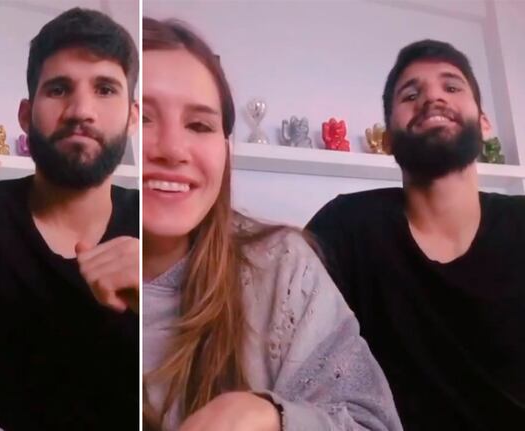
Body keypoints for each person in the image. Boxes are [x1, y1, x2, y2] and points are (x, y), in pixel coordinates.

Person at [141, 17, 402, 431]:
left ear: (225, 150)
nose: (173, 149)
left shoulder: (281, 266)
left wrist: (271, 417)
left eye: (199, 125)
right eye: (143, 118)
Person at [306, 39, 525, 429]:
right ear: (388, 138)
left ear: (483, 123)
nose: (433, 98)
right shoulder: (345, 227)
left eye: (451, 87)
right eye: (411, 95)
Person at [0, 8, 140, 430]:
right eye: (59, 89)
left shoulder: (160, 230)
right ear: (25, 115)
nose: (81, 110)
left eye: (105, 89)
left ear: (133, 117)